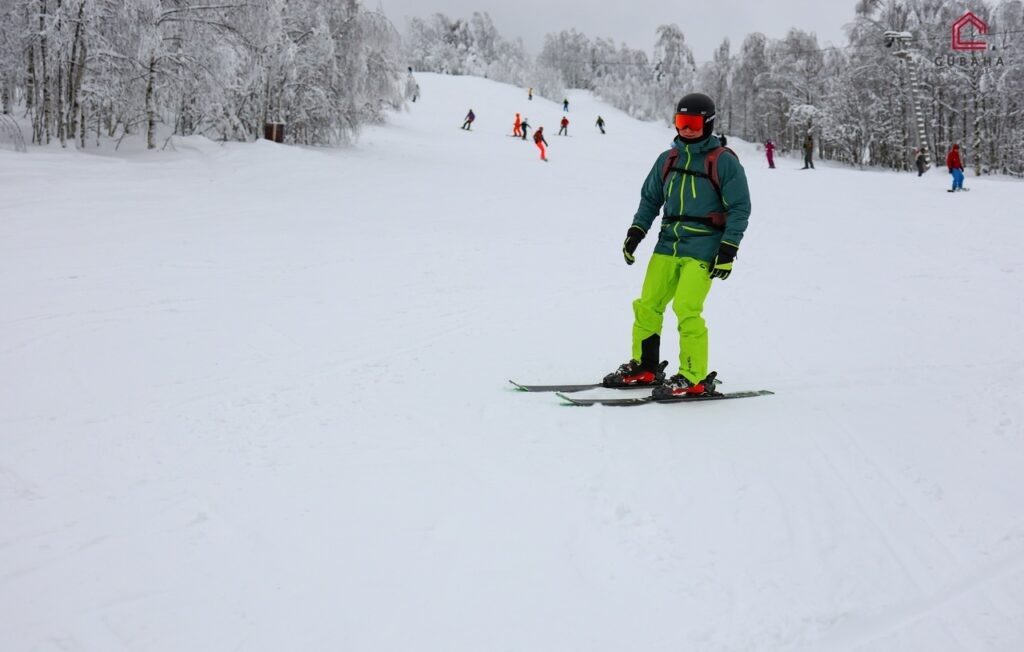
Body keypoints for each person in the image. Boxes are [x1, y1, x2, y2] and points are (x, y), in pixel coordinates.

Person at [604, 92, 751, 398]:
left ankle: (694, 376)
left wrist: (728, 249)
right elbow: (650, 200)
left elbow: (739, 208)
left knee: (686, 307)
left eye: (693, 123)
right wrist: (636, 232)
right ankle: (645, 366)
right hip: (667, 244)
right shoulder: (668, 159)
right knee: (648, 305)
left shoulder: (723, 161)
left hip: (704, 247)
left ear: (708, 123)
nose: (687, 129)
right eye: (682, 121)